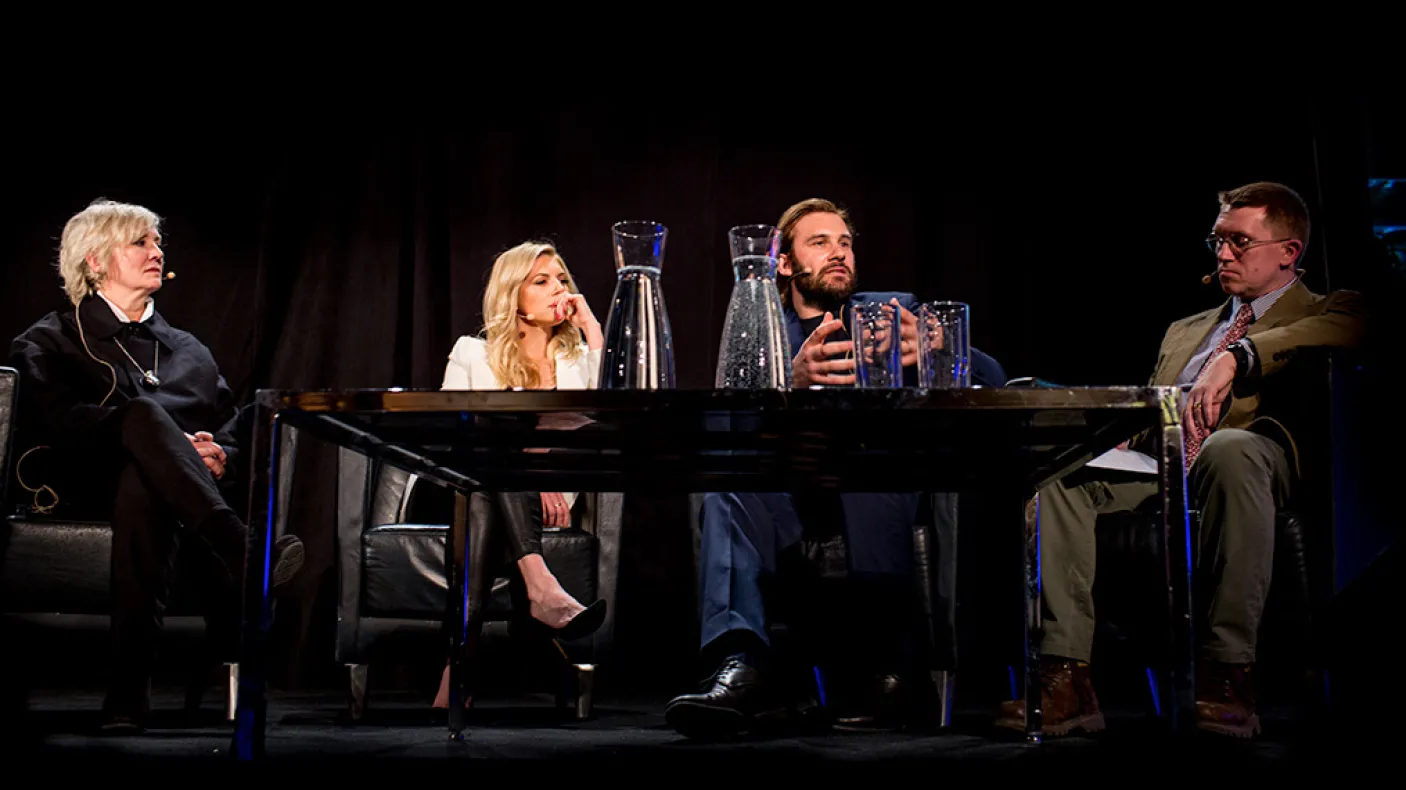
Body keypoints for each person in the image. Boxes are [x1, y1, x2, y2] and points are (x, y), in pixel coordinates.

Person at [994, 182, 1367, 739]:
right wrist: (1116, 438)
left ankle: (1228, 675)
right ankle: (1067, 678)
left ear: (1289, 251)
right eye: (1217, 241)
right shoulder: (1187, 329)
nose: (1223, 255)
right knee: (1059, 475)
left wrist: (1238, 357)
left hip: (1249, 463)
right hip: (1164, 467)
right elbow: (1155, 411)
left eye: (1240, 242)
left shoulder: (1331, 308)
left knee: (1228, 448)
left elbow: (1351, 331)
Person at [665, 198, 1006, 738]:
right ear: (783, 263)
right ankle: (742, 667)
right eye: (819, 243)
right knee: (727, 486)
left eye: (845, 243)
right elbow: (722, 429)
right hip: (790, 504)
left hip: (880, 490)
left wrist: (941, 344)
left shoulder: (890, 313)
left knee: (871, 467)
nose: (838, 253)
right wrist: (788, 387)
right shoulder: (763, 334)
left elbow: (993, 379)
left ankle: (892, 667)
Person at [7, 199, 306, 732]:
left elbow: (228, 423)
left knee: (146, 487)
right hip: (85, 484)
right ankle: (242, 551)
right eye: (140, 242)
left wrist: (219, 454)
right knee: (142, 421)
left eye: (157, 241)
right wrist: (159, 439)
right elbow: (54, 423)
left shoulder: (188, 349)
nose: (157, 251)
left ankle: (127, 699)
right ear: (95, 261)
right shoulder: (50, 339)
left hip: (170, 498)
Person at [431, 241, 608, 708]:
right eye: (542, 280)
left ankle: (456, 672)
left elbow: (610, 406)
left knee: (492, 484)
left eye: (563, 280)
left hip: (542, 495)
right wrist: (527, 464)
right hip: (469, 487)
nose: (558, 289)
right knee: (487, 440)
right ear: (513, 294)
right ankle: (541, 585)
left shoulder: (575, 362)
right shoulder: (472, 353)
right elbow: (450, 433)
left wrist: (591, 328)